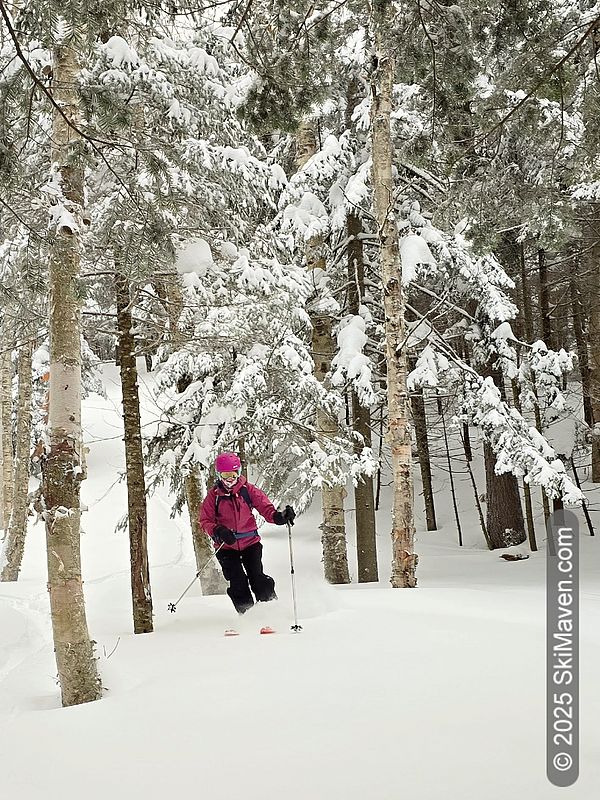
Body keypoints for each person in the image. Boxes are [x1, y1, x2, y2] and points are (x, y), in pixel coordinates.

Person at [199, 452, 296, 615]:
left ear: (239, 473)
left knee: (257, 577)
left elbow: (267, 509)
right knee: (237, 581)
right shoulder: (213, 497)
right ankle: (248, 614)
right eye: (225, 475)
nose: (230, 479)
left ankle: (270, 609)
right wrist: (218, 531)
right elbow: (205, 521)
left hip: (250, 543)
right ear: (219, 475)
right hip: (226, 547)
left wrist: (280, 517)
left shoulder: (248, 491)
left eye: (233, 474)